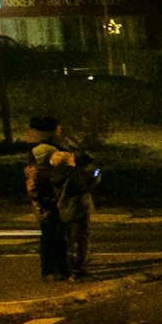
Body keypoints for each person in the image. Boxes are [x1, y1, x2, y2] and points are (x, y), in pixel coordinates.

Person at [22, 116, 72, 281]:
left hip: (52, 197)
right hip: (48, 199)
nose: (60, 131)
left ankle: (59, 268)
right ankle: (51, 270)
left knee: (57, 234)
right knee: (52, 235)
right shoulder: (44, 149)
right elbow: (34, 178)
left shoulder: (47, 146)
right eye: (58, 128)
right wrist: (39, 201)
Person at [56, 151, 101, 281]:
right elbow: (83, 186)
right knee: (79, 240)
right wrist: (96, 177)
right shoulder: (73, 175)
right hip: (77, 210)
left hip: (65, 209)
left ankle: (71, 269)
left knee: (69, 240)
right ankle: (77, 271)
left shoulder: (57, 173)